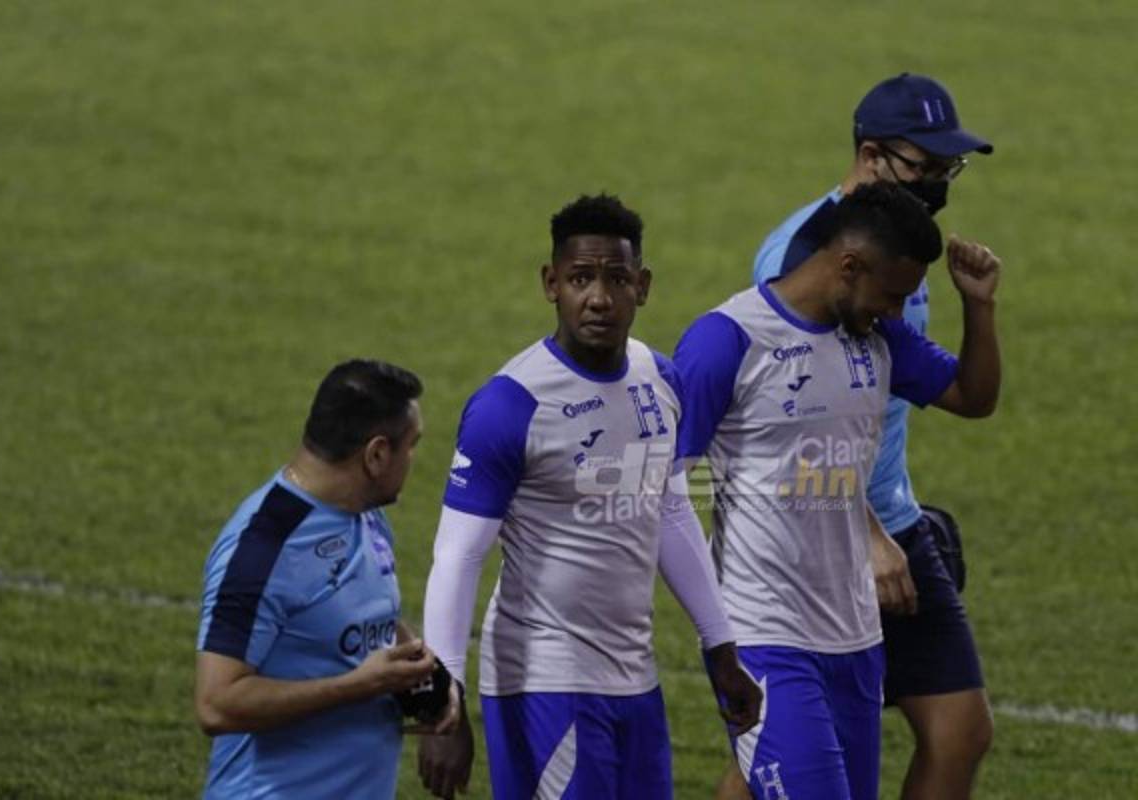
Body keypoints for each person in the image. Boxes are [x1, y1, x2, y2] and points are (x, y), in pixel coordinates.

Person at [416, 193, 763, 799]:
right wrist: (442, 704)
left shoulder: (660, 378)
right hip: (543, 681)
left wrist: (721, 645)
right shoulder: (511, 404)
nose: (599, 298)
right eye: (580, 279)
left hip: (634, 678)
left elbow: (668, 508)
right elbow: (458, 557)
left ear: (642, 287)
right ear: (551, 284)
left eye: (617, 279)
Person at [674, 182, 1000, 800]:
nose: (897, 313)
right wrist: (714, 630)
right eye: (893, 295)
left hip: (856, 639)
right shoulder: (729, 340)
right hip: (763, 635)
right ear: (849, 265)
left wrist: (979, 307)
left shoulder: (878, 339)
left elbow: (973, 396)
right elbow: (667, 483)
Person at [750, 73, 995, 800]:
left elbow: (964, 395)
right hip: (811, 534)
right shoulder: (805, 258)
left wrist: (980, 309)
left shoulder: (900, 248)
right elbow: (784, 424)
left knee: (959, 731)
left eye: (949, 168)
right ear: (870, 155)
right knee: (785, 748)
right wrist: (865, 534)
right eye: (926, 166)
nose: (939, 184)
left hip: (892, 521)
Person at [193, 359, 458, 799]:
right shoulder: (262, 548)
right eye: (412, 446)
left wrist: (424, 674)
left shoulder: (364, 515)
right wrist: (359, 685)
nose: (414, 459)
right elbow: (216, 704)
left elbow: (368, 619)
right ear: (376, 455)